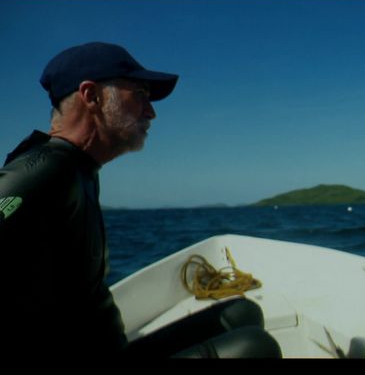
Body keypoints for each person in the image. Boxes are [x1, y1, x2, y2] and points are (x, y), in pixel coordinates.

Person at [0, 42, 280, 359]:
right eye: (140, 96)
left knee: (242, 313)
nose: (151, 112)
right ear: (91, 96)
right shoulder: (45, 169)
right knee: (255, 349)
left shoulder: (81, 169)